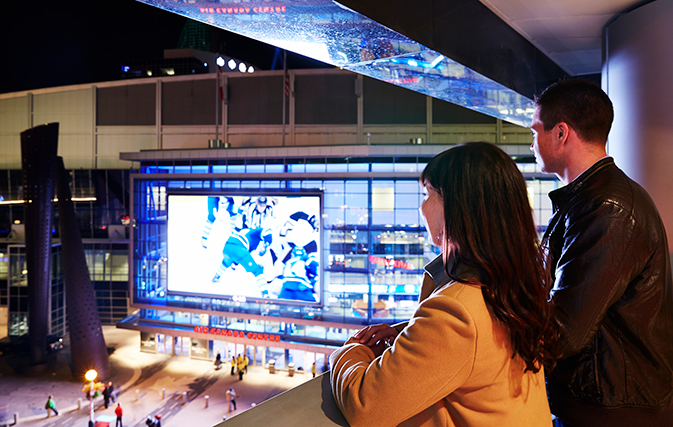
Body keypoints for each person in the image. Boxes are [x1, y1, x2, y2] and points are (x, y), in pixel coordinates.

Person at [330, 142, 560, 427]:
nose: (422, 207)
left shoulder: (455, 311)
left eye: (427, 194)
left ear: (457, 206)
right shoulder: (508, 286)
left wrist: (351, 350)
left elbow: (365, 406)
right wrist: (407, 335)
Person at [531, 79, 673, 427]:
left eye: (535, 131)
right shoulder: (589, 198)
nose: (531, 143)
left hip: (611, 412)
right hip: (601, 405)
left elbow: (562, 330)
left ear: (561, 133)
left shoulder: (606, 206)